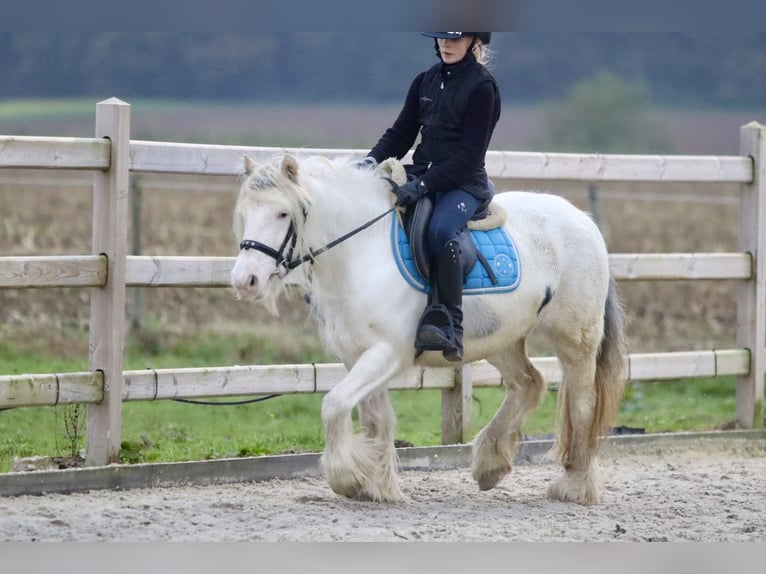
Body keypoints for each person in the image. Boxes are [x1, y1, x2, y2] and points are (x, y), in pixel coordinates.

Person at [361, 32, 501, 362]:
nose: (446, 44)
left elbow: (468, 156)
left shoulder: (483, 87)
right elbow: (400, 135)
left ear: (474, 41)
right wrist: (366, 165)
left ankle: (449, 323)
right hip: (423, 174)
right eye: (441, 38)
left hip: (463, 184)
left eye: (455, 38)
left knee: (440, 232)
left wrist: (422, 186)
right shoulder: (424, 81)